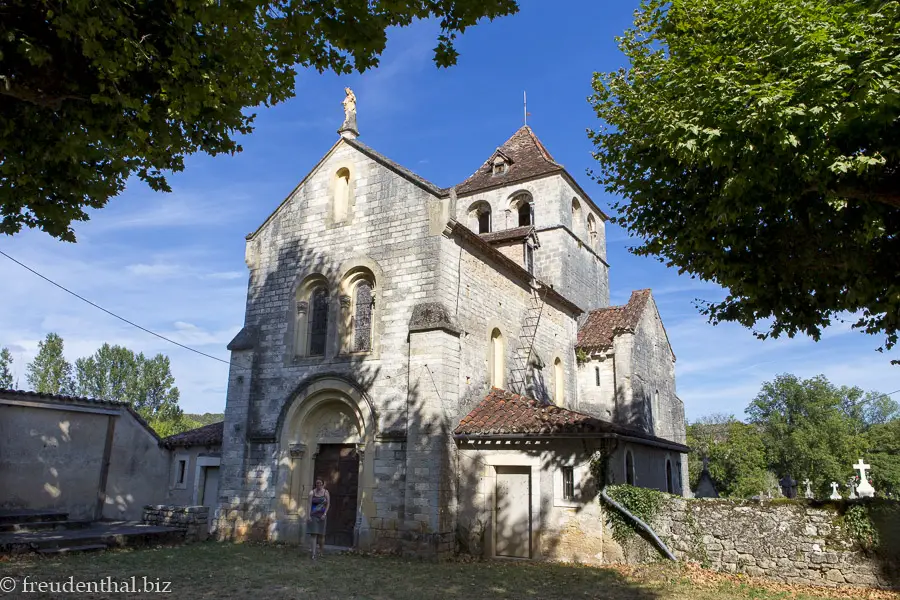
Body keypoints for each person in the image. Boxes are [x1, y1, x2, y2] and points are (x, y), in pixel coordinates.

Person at [307, 478, 330, 560]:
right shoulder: (311, 493)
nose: (318, 485)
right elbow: (309, 504)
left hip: (322, 516)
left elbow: (328, 504)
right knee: (313, 534)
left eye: (320, 483)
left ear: (323, 484)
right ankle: (313, 554)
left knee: (321, 535)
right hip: (313, 515)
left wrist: (325, 514)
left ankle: (321, 551)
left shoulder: (326, 492)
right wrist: (308, 515)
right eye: (317, 483)